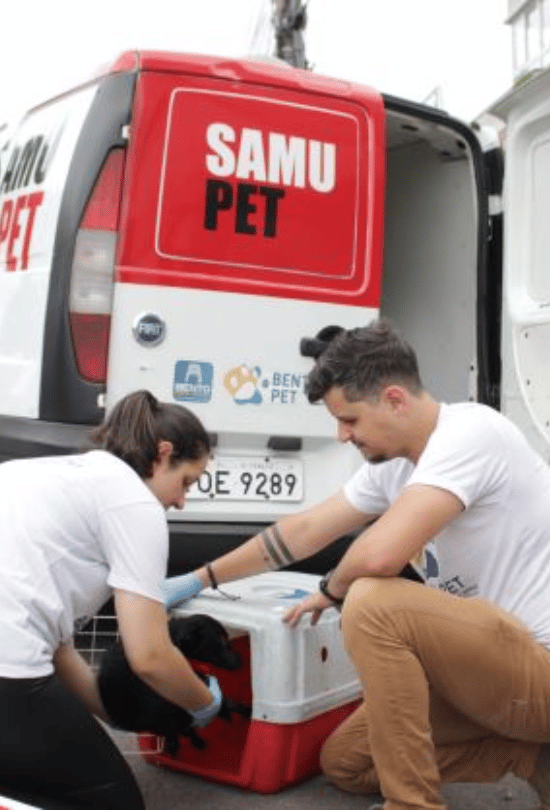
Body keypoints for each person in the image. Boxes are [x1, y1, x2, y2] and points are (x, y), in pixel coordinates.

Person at [163, 319, 550, 810]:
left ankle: (411, 805)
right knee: (347, 762)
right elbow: (301, 533)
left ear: (394, 399)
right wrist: (199, 578)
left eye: (349, 420)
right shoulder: (395, 466)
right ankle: (528, 759)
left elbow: (379, 556)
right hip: (488, 676)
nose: (341, 435)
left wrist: (331, 588)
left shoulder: (471, 433)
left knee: (370, 599)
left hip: (538, 669)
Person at [0, 389, 224, 810]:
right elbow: (150, 656)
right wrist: (202, 702)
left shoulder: (31, 474)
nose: (181, 500)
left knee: (50, 773)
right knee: (110, 805)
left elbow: (54, 646)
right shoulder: (134, 503)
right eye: (186, 482)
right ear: (162, 454)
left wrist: (111, 714)